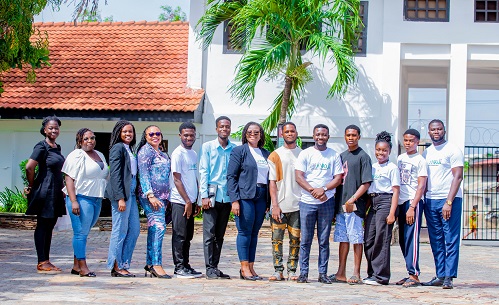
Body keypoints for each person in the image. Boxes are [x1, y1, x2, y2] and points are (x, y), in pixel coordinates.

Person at [295, 124, 343, 284]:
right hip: (307, 202)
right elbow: (299, 176)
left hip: (326, 202)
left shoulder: (334, 155)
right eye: (318, 134)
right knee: (305, 240)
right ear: (313, 136)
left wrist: (323, 190)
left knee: (323, 240)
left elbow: (338, 178)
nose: (320, 137)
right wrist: (313, 191)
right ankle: (303, 273)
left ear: (328, 137)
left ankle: (323, 273)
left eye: (323, 135)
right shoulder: (305, 154)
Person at [421, 119, 464, 289]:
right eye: (433, 129)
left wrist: (449, 201)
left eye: (439, 129)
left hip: (449, 201)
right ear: (429, 132)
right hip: (431, 201)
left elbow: (458, 176)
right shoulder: (427, 153)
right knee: (436, 239)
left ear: (444, 131)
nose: (436, 132)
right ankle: (440, 274)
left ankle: (449, 276)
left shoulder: (453, 150)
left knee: (450, 238)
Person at [62, 128, 109, 277]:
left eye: (92, 138)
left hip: (96, 198)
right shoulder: (76, 155)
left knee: (84, 233)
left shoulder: (99, 154)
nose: (90, 141)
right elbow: (69, 179)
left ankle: (76, 266)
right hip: (81, 198)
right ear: (79, 141)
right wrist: (74, 200)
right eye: (86, 139)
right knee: (80, 234)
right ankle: (83, 267)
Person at [227, 121, 270, 281]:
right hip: (245, 197)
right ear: (245, 134)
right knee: (244, 232)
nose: (253, 134)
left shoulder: (265, 153)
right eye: (250, 132)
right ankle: (244, 267)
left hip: (261, 196)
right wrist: (234, 200)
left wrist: (268, 202)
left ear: (261, 135)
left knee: (254, 233)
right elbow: (231, 177)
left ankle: (251, 266)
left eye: (256, 132)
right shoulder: (239, 151)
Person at [331, 125, 372, 285]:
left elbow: (366, 182)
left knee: (356, 239)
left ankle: (356, 272)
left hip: (354, 206)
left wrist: (353, 198)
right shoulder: (341, 156)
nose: (351, 138)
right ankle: (341, 272)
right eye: (348, 135)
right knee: (343, 239)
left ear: (359, 137)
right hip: (341, 204)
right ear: (344, 136)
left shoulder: (363, 157)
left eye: (354, 135)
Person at [25, 116, 66, 274]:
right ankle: (41, 261)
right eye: (51, 128)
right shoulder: (41, 146)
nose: (54, 130)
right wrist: (32, 184)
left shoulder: (56, 147)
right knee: (43, 225)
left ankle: (46, 260)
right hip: (45, 190)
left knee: (50, 226)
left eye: (56, 128)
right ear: (44, 130)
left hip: (55, 191)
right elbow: (30, 167)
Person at [199, 116, 236, 279]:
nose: (224, 129)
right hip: (211, 195)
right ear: (216, 129)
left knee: (220, 234)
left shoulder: (234, 149)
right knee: (209, 233)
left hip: (226, 197)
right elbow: (203, 171)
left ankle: (215, 266)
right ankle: (209, 268)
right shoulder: (207, 147)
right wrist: (204, 196)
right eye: (221, 126)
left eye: (227, 127)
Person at [363, 131, 400, 286]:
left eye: (384, 150)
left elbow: (396, 190)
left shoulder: (392, 168)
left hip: (386, 202)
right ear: (375, 150)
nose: (381, 153)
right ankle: (372, 273)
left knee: (382, 239)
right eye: (378, 150)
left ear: (389, 151)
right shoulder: (372, 167)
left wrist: (392, 213)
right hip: (373, 203)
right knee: (369, 239)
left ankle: (382, 277)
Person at [106, 120, 140, 277]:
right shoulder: (117, 148)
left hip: (131, 191)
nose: (128, 134)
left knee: (134, 230)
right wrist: (120, 198)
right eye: (125, 131)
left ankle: (124, 263)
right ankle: (116, 265)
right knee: (120, 230)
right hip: (122, 193)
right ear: (118, 132)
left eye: (130, 131)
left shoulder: (129, 149)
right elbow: (115, 175)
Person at [268, 122, 302, 282]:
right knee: (277, 240)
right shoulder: (275, 155)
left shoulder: (303, 154)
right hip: (280, 205)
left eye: (292, 131)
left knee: (295, 240)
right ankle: (278, 270)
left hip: (298, 205)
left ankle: (292, 270)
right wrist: (275, 205)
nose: (290, 134)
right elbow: (272, 182)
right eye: (286, 131)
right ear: (282, 134)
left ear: (296, 133)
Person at [137, 125, 172, 279]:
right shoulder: (145, 151)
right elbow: (143, 174)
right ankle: (156, 264)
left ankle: (150, 263)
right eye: (151, 134)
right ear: (146, 136)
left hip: (163, 198)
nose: (155, 136)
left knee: (154, 229)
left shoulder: (162, 154)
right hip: (151, 197)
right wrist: (150, 194)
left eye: (158, 133)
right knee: (159, 227)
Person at [170, 122, 202, 278]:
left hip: (190, 201)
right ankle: (179, 267)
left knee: (188, 236)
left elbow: (193, 178)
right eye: (186, 135)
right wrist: (187, 201)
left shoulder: (193, 154)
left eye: (191, 135)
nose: (189, 138)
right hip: (180, 201)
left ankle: (186, 265)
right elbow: (177, 180)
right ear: (180, 136)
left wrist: (196, 200)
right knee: (180, 235)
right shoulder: (178, 154)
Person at [395, 129, 427, 287]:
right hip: (401, 201)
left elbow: (421, 186)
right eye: (406, 140)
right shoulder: (400, 158)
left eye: (411, 140)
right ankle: (410, 271)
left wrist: (412, 207)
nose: (408, 143)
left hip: (412, 202)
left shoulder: (420, 160)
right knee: (402, 239)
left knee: (411, 238)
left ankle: (414, 275)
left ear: (417, 142)